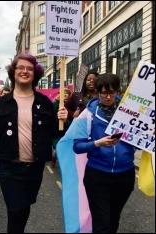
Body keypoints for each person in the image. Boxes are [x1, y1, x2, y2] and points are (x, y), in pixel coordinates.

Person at [0, 52, 68, 233]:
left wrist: (64, 119)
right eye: (21, 68)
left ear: (35, 74)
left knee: (24, 208)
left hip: (35, 168)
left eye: (29, 69)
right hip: (9, 167)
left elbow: (55, 133)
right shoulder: (1, 103)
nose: (25, 71)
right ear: (13, 72)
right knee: (15, 211)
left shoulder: (45, 103)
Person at [58, 73, 137, 233]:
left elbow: (138, 144)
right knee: (102, 225)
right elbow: (77, 146)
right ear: (97, 92)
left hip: (125, 176)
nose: (108, 97)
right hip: (97, 176)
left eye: (112, 92)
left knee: (113, 221)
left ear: (118, 90)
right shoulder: (88, 115)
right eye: (103, 93)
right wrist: (97, 143)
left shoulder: (130, 113)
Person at [51, 88, 71, 167]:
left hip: (67, 129)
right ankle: (53, 158)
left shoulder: (70, 104)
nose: (64, 96)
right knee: (56, 147)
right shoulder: (55, 104)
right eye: (63, 94)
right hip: (56, 129)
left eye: (66, 94)